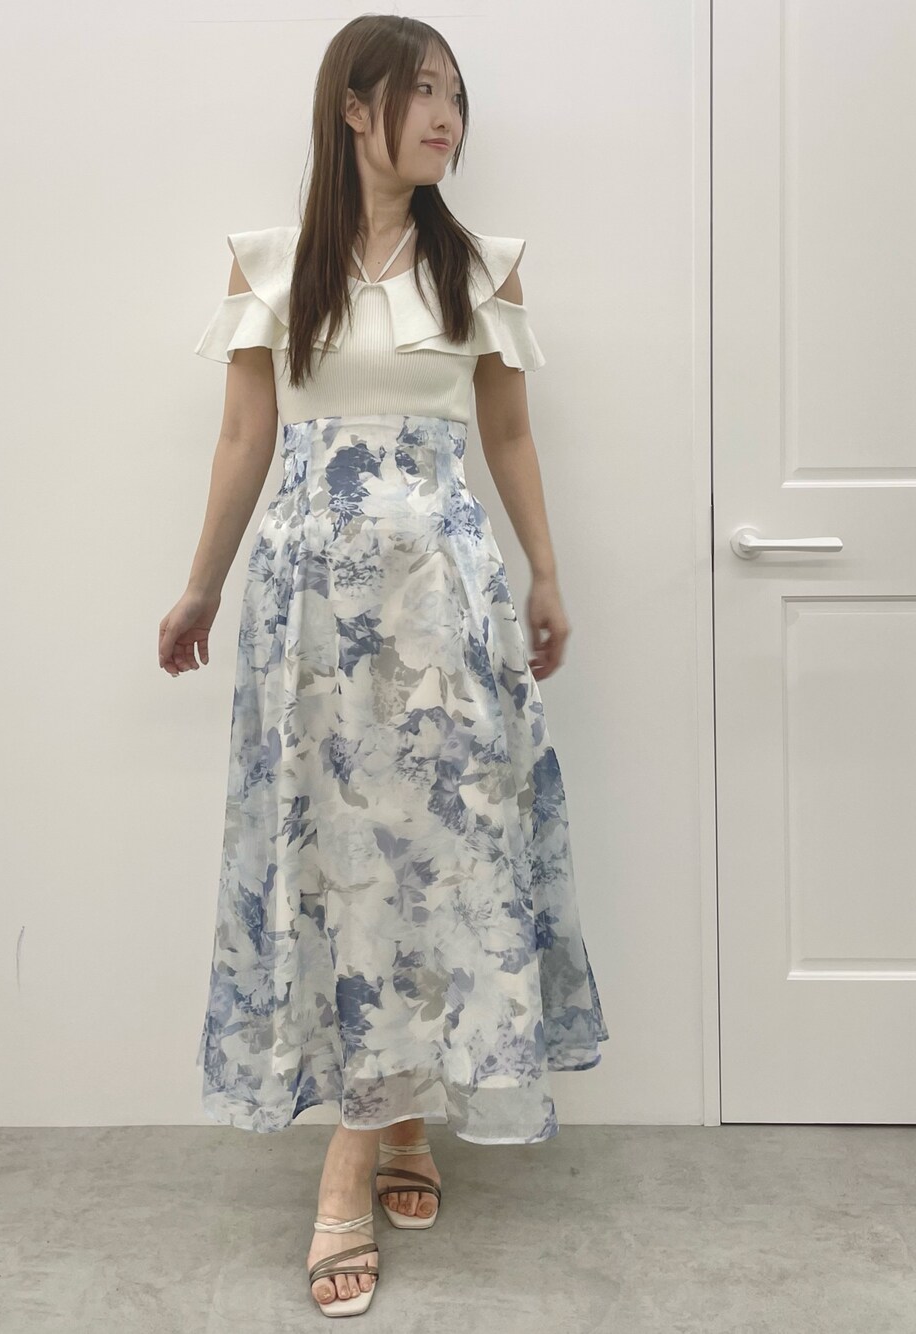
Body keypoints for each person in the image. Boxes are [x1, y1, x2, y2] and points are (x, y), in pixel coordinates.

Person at [159, 13, 609, 1318]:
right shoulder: (268, 265)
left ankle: (353, 1161)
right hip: (309, 619)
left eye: (457, 96)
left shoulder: (483, 267)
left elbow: (508, 436)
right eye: (422, 92)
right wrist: (199, 584)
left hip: (441, 611)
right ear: (354, 108)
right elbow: (244, 439)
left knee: (432, 860)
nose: (447, 117)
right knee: (338, 864)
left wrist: (545, 574)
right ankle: (397, 1119)